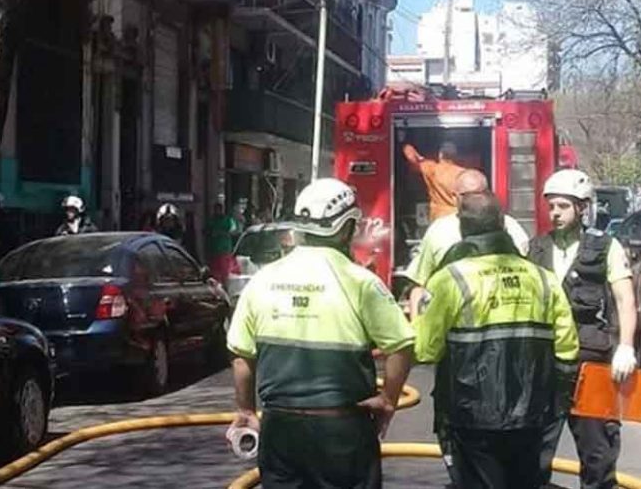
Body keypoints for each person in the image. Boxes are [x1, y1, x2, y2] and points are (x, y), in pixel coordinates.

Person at [226, 178, 414, 489]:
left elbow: (241, 356)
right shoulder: (361, 282)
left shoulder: (262, 280)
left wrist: (246, 410)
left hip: (281, 429)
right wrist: (388, 399)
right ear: (345, 228)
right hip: (341, 430)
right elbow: (402, 345)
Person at [413, 191, 580, 489]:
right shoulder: (543, 278)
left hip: (471, 415)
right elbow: (567, 348)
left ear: (462, 227)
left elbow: (426, 350)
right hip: (532, 413)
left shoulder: (448, 280)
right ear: (502, 223)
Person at [528, 169, 638, 489]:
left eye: (562, 206)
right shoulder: (536, 248)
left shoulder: (606, 248)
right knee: (533, 452)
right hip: (545, 361)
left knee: (599, 452)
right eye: (551, 206)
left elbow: (625, 299)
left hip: (592, 359)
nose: (555, 213)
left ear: (583, 207)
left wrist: (626, 346)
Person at [405, 169, 530, 315]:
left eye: (480, 193)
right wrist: (417, 328)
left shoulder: (512, 228)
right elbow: (419, 284)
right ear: (454, 197)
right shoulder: (439, 230)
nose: (474, 200)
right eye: (467, 196)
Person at [403, 141, 466, 222]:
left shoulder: (431, 168)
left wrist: (419, 157)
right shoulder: (462, 173)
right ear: (455, 156)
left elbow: (409, 154)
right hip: (456, 216)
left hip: (438, 216)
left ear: (440, 155)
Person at [206, 202, 240, 284]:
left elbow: (235, 231)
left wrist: (223, 233)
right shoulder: (211, 220)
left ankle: (225, 286)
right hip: (214, 251)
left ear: (222, 210)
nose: (217, 211)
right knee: (215, 274)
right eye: (216, 210)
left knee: (225, 273)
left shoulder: (228, 220)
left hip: (225, 251)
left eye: (219, 210)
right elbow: (206, 232)